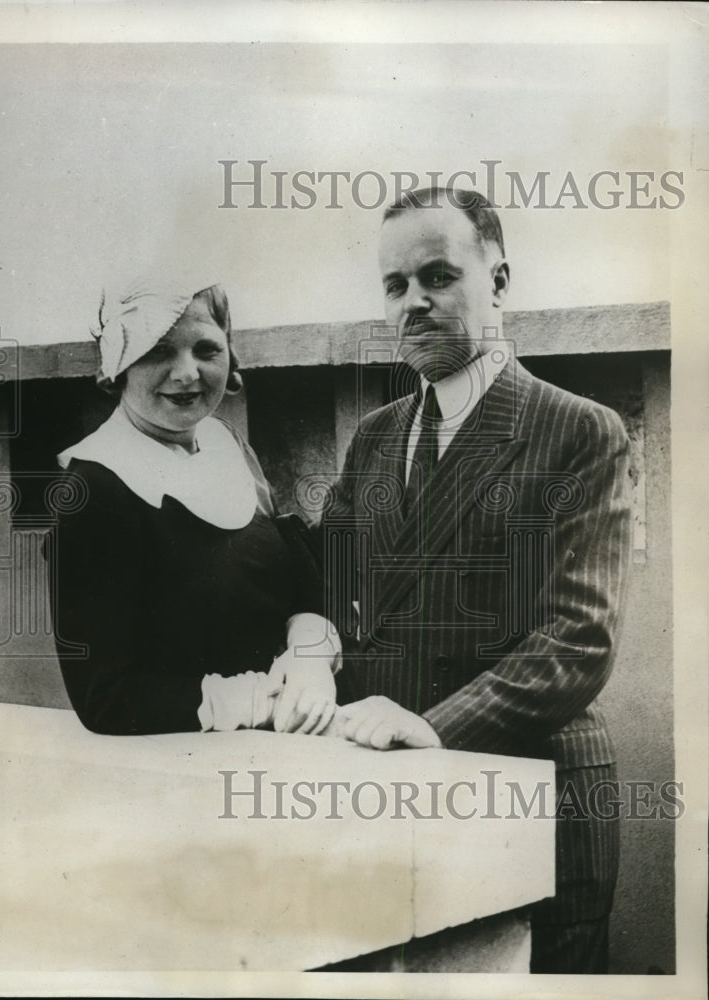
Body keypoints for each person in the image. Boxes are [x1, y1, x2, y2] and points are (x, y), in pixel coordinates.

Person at [323, 187, 632, 973]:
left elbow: (578, 639)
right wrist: (305, 635)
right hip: (390, 799)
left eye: (438, 276)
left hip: (528, 792)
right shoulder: (374, 439)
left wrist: (433, 727)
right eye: (395, 286)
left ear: (497, 279)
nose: (413, 304)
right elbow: (325, 578)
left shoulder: (579, 430)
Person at [49, 273, 340, 738]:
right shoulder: (94, 489)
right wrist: (264, 701)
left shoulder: (225, 442)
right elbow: (105, 698)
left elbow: (296, 574)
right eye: (158, 349)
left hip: (294, 731)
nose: (187, 373)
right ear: (117, 362)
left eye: (206, 349)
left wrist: (310, 653)